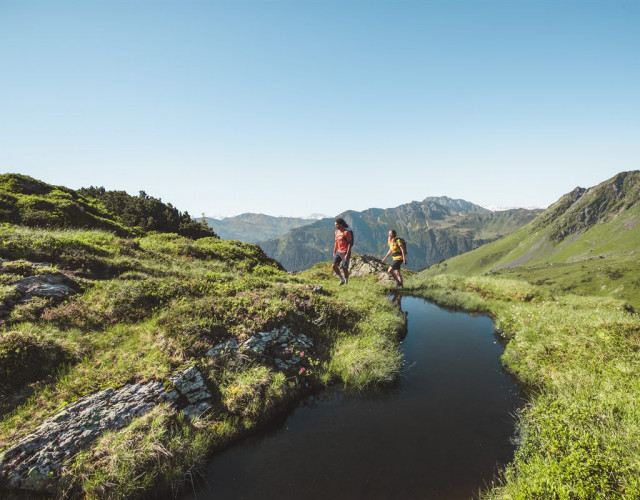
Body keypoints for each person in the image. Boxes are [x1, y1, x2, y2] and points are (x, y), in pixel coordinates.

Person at [333, 218, 353, 285]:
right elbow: (336, 242)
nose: (335, 226)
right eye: (335, 225)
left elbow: (350, 244)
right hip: (338, 251)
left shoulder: (346, 232)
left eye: (336, 225)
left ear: (341, 224)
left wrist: (347, 254)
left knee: (344, 268)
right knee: (334, 266)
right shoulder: (336, 232)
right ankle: (342, 279)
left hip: (344, 252)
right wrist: (334, 251)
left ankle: (346, 282)